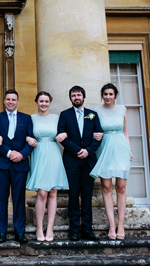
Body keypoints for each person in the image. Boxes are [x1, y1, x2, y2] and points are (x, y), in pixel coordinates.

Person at [56, 85, 102, 241]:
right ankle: (74, 229)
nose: (76, 97)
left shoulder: (92, 115)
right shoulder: (64, 115)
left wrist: (88, 151)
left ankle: (87, 229)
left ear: (84, 97)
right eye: (73, 95)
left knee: (87, 196)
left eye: (79, 95)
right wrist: (78, 150)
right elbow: (62, 136)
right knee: (73, 196)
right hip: (72, 161)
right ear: (70, 98)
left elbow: (98, 136)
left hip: (89, 161)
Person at [90, 83, 133, 240]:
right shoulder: (96, 110)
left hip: (120, 146)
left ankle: (121, 224)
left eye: (111, 94)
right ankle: (112, 225)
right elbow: (93, 129)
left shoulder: (122, 109)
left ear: (115, 95)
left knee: (121, 187)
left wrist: (129, 150)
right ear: (102, 95)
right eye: (105, 94)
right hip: (104, 147)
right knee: (106, 187)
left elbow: (125, 131)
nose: (108, 97)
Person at [0, 89, 34, 244]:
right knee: (0, 199)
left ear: (17, 101)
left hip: (20, 165)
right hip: (2, 165)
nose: (10, 102)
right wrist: (9, 153)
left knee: (19, 199)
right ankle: (1, 231)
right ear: (4, 101)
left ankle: (19, 232)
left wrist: (22, 154)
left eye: (13, 99)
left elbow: (31, 141)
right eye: (8, 99)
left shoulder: (26, 118)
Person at [25, 91, 69, 241]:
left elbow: (67, 131)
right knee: (42, 193)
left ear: (49, 103)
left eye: (46, 101)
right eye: (41, 101)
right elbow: (25, 132)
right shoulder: (31, 118)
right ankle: (39, 228)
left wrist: (65, 135)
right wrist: (27, 138)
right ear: (36, 102)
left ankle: (50, 228)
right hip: (38, 153)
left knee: (52, 192)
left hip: (52, 152)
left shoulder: (56, 118)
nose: (44, 104)